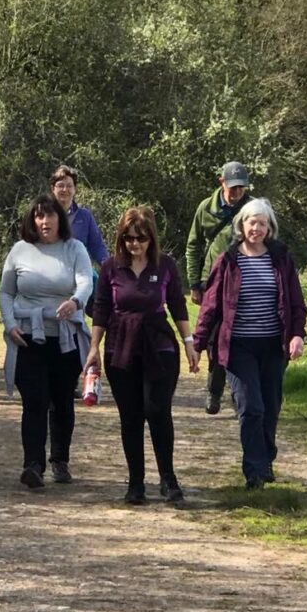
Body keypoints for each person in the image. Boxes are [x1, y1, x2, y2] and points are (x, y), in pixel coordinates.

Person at [85, 207, 200, 505]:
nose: (134, 244)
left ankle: (168, 479)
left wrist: (189, 343)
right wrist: (94, 347)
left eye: (141, 238)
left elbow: (177, 305)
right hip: (120, 346)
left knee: (157, 410)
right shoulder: (110, 268)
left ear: (151, 239)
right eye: (128, 238)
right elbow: (101, 309)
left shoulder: (166, 266)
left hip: (159, 346)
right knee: (131, 416)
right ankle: (136, 482)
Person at [193, 198, 306, 490]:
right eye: (252, 222)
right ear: (242, 226)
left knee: (270, 407)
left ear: (270, 228)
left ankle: (265, 458)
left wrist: (297, 335)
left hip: (273, 346)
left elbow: (295, 301)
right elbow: (210, 306)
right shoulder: (227, 261)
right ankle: (254, 471)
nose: (256, 228)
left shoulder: (280, 258)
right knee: (251, 406)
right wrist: (198, 342)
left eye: (262, 223)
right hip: (238, 346)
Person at [0, 195, 93, 489]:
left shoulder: (74, 249)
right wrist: (10, 324)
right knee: (34, 400)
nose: (44, 222)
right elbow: (5, 292)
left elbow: (86, 281)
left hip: (64, 338)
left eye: (50, 216)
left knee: (62, 400)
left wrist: (76, 302)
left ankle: (60, 460)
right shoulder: (19, 250)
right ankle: (33, 465)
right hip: (29, 336)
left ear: (59, 219)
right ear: (32, 220)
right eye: (39, 216)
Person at [185, 161, 253, 415]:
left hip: (244, 280)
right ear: (221, 182)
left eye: (241, 188)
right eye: (233, 187)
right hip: (212, 281)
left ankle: (239, 395)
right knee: (214, 338)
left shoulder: (253, 208)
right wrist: (194, 283)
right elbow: (193, 245)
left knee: (240, 338)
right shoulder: (206, 208)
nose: (237, 192)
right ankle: (214, 390)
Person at [50, 164, 109, 266]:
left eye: (69, 186)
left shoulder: (84, 216)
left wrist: (109, 268)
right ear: (53, 188)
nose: (65, 189)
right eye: (60, 186)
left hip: (80, 270)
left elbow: (97, 247)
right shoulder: (44, 216)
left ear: (75, 189)